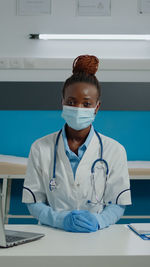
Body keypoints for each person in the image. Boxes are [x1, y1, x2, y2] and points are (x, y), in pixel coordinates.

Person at [22, 55, 131, 233]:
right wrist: (59, 219)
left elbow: (118, 203)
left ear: (97, 107)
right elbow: (33, 201)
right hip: (52, 233)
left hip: (97, 235)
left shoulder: (115, 150)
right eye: (71, 102)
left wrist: (99, 220)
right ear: (62, 103)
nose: (78, 108)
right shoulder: (40, 147)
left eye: (86, 103)